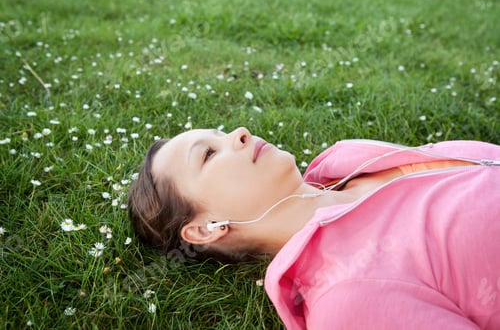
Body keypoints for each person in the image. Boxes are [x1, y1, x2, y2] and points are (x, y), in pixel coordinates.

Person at [128, 127, 500, 329]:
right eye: (208, 154)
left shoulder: (352, 159)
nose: (240, 133)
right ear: (206, 229)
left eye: (221, 133)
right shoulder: (350, 298)